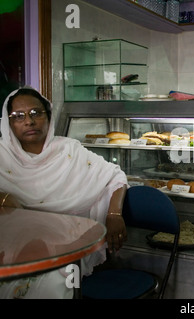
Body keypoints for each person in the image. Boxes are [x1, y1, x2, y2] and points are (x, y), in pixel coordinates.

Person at [0, 87, 128, 298]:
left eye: (35, 113)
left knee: (56, 284)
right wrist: (5, 198)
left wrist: (114, 214)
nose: (29, 122)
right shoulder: (2, 155)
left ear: (48, 116)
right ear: (8, 122)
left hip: (69, 243)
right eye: (18, 116)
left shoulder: (69, 150)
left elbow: (115, 176)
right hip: (14, 245)